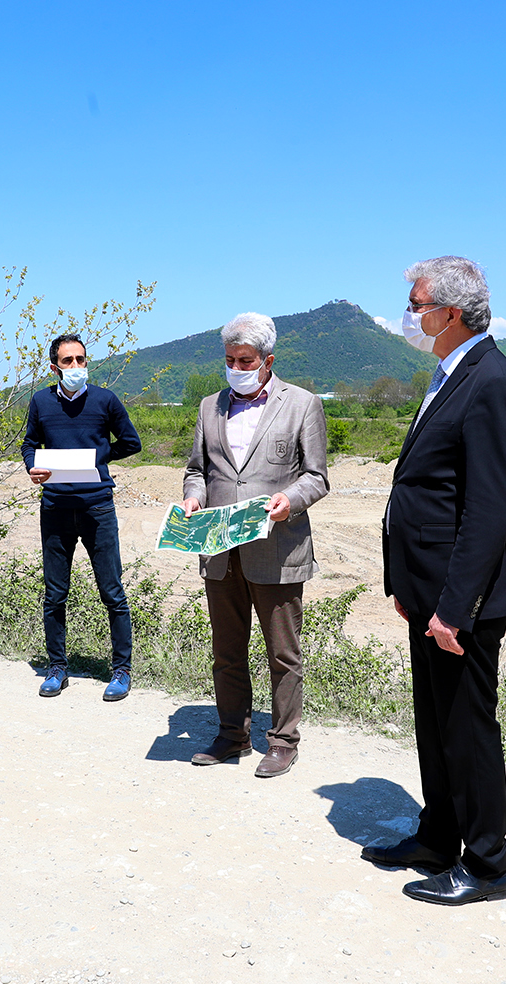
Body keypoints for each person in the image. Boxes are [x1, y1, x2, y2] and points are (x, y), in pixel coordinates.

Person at [363, 256, 506, 904]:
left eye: (416, 301)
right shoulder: (449, 372)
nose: (408, 313)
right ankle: (438, 836)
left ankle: (487, 864)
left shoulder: (493, 381)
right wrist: (412, 589)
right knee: (434, 726)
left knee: (467, 729)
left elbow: (489, 510)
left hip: (464, 599)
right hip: (426, 588)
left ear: (451, 312)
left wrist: (455, 608)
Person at [180, 312, 329, 778]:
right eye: (229, 359)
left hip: (277, 549)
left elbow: (317, 477)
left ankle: (283, 740)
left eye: (245, 360)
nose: (236, 367)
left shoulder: (303, 404)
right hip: (220, 548)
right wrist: (192, 498)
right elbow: (197, 470)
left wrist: (292, 500)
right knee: (226, 649)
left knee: (283, 653)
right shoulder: (210, 407)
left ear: (268, 361)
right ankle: (232, 734)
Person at [21, 334, 142, 701]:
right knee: (55, 594)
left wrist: (97, 459)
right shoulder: (41, 401)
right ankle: (57, 667)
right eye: (68, 361)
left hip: (97, 507)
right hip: (55, 506)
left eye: (81, 359)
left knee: (112, 591)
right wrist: (33, 467)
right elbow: (29, 444)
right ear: (54, 366)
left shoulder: (105, 399)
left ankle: (121, 670)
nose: (76, 367)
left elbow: (131, 442)